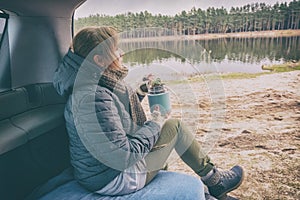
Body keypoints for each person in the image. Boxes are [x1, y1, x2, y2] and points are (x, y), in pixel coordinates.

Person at [53, 26, 244, 199]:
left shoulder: (91, 86)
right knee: (174, 128)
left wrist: (142, 91)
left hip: (98, 172)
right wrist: (156, 122)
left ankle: (206, 191)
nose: (122, 53)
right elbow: (125, 154)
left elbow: (116, 116)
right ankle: (215, 181)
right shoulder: (92, 97)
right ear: (99, 60)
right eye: (116, 50)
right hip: (112, 179)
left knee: (158, 139)